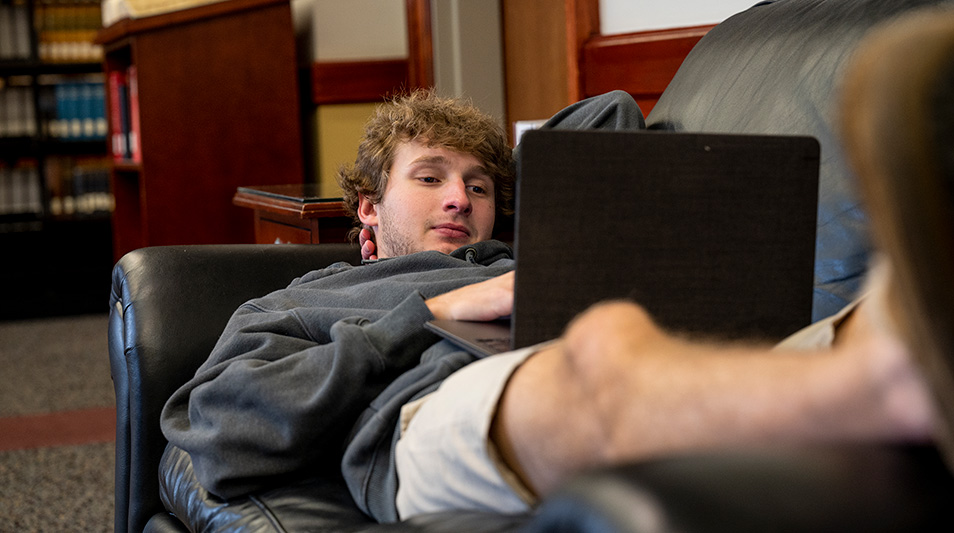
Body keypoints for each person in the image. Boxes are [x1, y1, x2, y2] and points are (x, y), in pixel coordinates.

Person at [160, 89, 936, 523]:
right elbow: (224, 422)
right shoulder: (309, 296)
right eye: (429, 176)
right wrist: (436, 310)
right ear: (367, 210)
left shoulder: (523, 254)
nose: (460, 196)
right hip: (426, 414)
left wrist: (532, 205)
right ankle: (880, 385)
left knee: (846, 324)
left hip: (647, 355)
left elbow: (614, 112)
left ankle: (887, 350)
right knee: (604, 342)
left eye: (481, 184)